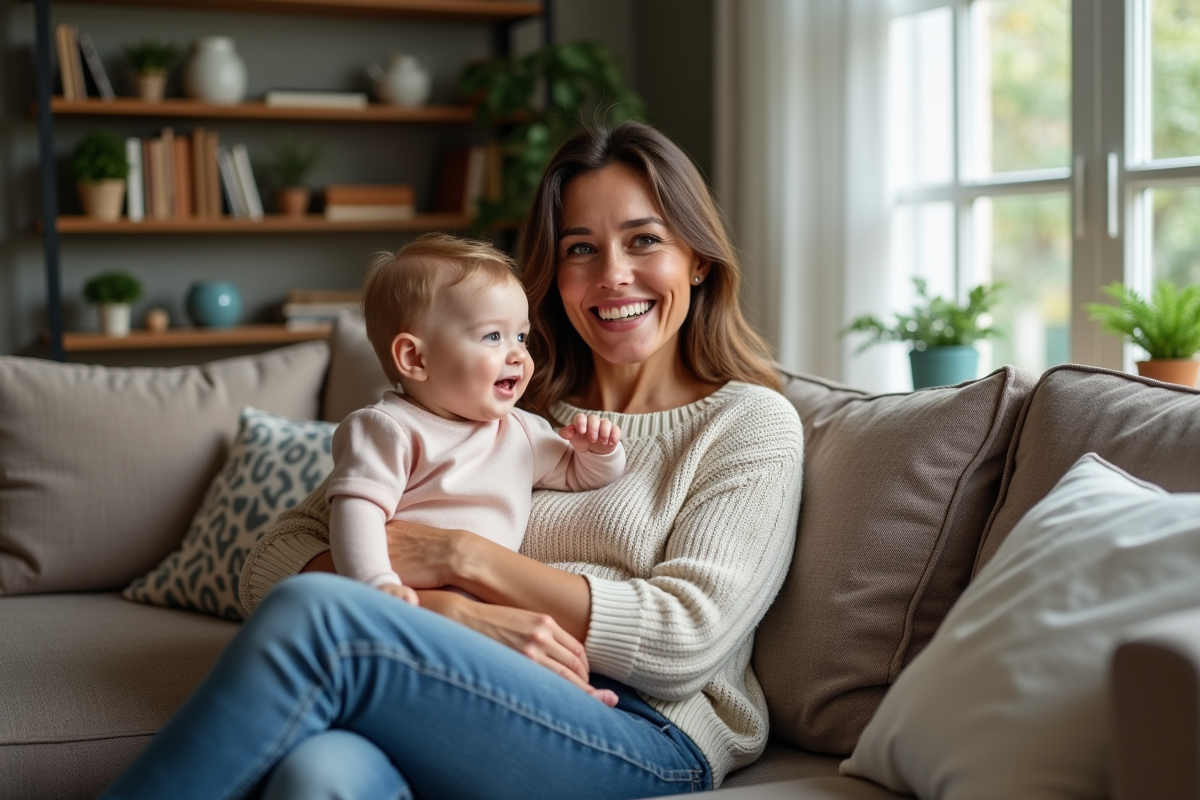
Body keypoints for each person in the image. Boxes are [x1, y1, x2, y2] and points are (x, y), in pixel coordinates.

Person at [100, 120, 805, 800]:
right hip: (470, 684)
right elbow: (273, 562)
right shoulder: (484, 401)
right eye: (580, 249)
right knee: (321, 772)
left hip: (643, 729)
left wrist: (462, 558)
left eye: (644, 240)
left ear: (699, 259)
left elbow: (684, 643)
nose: (613, 275)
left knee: (321, 614)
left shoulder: (747, 422)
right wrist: (448, 613)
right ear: (553, 274)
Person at [326, 233, 624, 607]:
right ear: (415, 359)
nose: (517, 354)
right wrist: (375, 583)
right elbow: (357, 513)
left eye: (522, 336)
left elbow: (582, 475)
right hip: (405, 600)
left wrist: (598, 451)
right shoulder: (388, 429)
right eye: (493, 336)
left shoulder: (522, 432)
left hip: (490, 606)